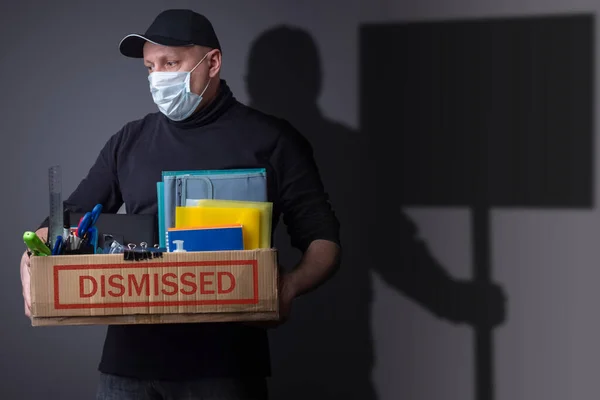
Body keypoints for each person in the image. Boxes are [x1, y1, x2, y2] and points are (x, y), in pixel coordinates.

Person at [19, 9, 341, 400]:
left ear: (213, 62)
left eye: (171, 63)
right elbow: (63, 222)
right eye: (151, 67)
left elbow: (322, 239)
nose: (159, 77)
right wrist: (32, 262)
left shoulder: (271, 139)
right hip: (127, 369)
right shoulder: (130, 141)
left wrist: (287, 288)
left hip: (224, 370)